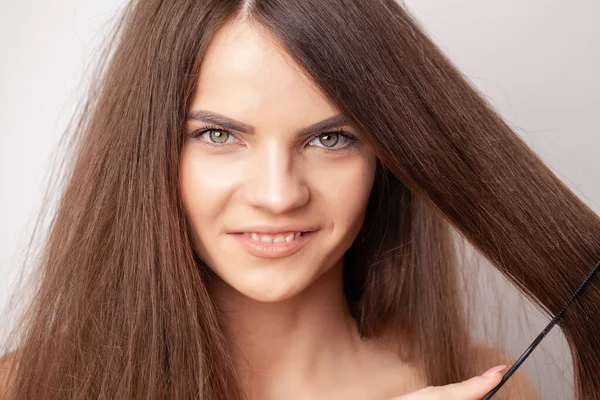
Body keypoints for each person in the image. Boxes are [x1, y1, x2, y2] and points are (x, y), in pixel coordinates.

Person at [1, 1, 598, 399]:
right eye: (218, 135)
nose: (279, 194)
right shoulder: (30, 385)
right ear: (148, 152)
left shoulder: (484, 384)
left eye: (330, 138)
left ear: (386, 159)